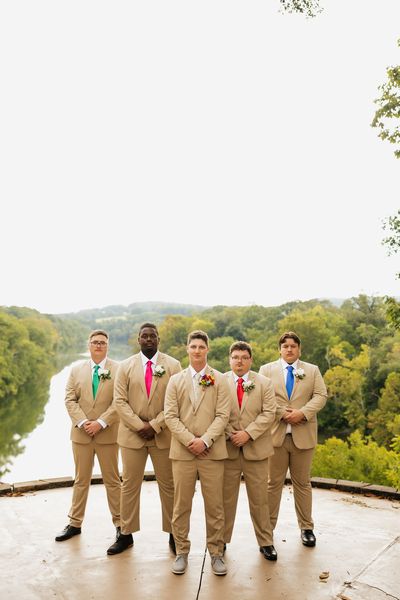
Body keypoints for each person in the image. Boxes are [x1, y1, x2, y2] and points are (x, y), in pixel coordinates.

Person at [108, 323, 181, 555]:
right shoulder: (125, 366)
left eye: (153, 336)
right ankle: (125, 534)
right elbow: (119, 401)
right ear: (138, 339)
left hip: (163, 435)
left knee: (169, 485)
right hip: (132, 436)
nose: (149, 339)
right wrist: (140, 426)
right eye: (144, 336)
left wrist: (156, 425)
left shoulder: (173, 365)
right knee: (129, 485)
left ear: (159, 339)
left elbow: (177, 401)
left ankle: (174, 533)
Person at [164, 330, 231, 576]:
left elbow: (223, 415)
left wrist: (205, 440)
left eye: (201, 347)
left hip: (212, 452)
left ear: (207, 349)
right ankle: (181, 551)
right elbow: (170, 416)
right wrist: (190, 440)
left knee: (215, 506)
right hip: (183, 453)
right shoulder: (175, 380)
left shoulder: (220, 379)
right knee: (181, 505)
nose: (197, 351)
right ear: (187, 349)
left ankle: (216, 553)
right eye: (193, 346)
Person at [259, 331, 327, 547]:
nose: (289, 349)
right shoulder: (266, 370)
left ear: (299, 349)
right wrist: (281, 413)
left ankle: (307, 528)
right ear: (279, 349)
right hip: (274, 437)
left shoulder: (312, 370)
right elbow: (261, 398)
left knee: (303, 483)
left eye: (293, 346)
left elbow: (321, 396)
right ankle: (267, 530)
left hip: (303, 435)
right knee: (272, 484)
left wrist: (303, 413)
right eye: (285, 346)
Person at [55, 329, 121, 551]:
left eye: (102, 342)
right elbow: (69, 399)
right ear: (89, 345)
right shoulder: (76, 370)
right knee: (80, 480)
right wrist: (84, 422)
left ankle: (121, 526)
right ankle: (74, 523)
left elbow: (120, 401)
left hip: (108, 434)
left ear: (108, 346)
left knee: (113, 481)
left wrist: (101, 422)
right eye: (95, 342)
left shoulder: (118, 369)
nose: (98, 345)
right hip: (81, 435)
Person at [223, 341, 277, 560]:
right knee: (225, 499)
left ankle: (266, 542)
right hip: (228, 449)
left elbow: (269, 413)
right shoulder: (219, 382)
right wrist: (231, 433)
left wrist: (248, 433)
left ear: (251, 360)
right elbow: (215, 413)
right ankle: (221, 541)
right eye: (236, 357)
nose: (240, 361)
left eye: (244, 358)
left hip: (256, 449)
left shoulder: (264, 383)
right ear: (230, 359)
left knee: (260, 499)